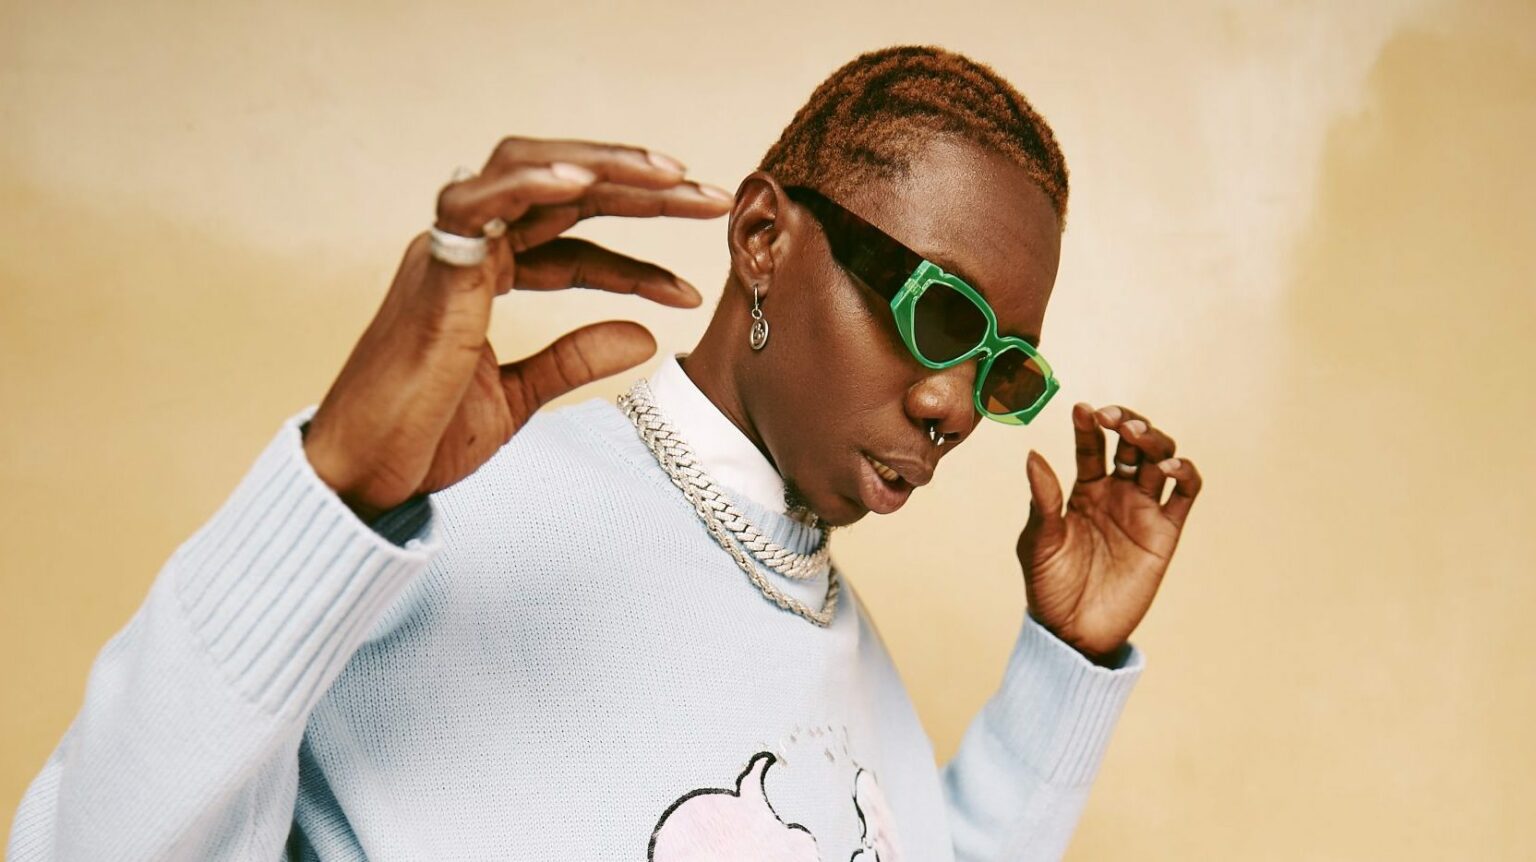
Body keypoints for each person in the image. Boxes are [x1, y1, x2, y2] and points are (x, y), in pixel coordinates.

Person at [7, 45, 1202, 861]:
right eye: (939, 314)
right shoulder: (451, 518)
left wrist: (1068, 668)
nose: (954, 405)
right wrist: (334, 495)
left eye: (1002, 371)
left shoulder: (844, 638)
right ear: (763, 238)